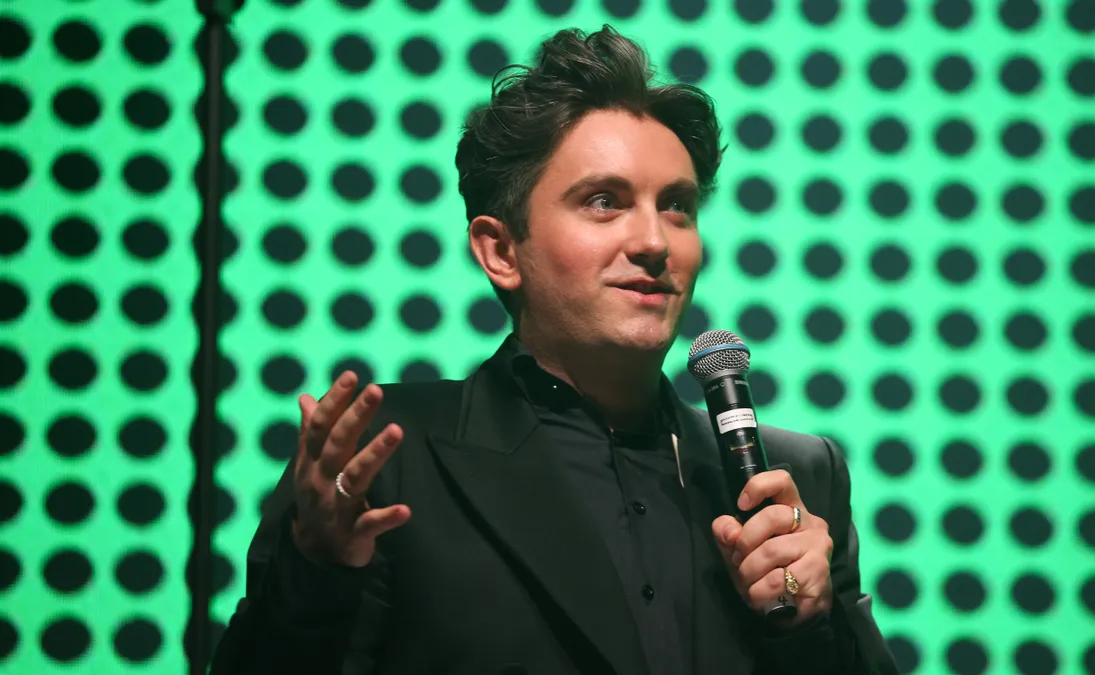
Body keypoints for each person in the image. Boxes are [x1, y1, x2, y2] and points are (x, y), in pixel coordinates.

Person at [210, 25, 898, 675]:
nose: (655, 241)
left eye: (678, 205)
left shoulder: (799, 476)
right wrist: (315, 571)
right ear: (501, 249)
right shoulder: (387, 457)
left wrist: (807, 626)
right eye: (604, 201)